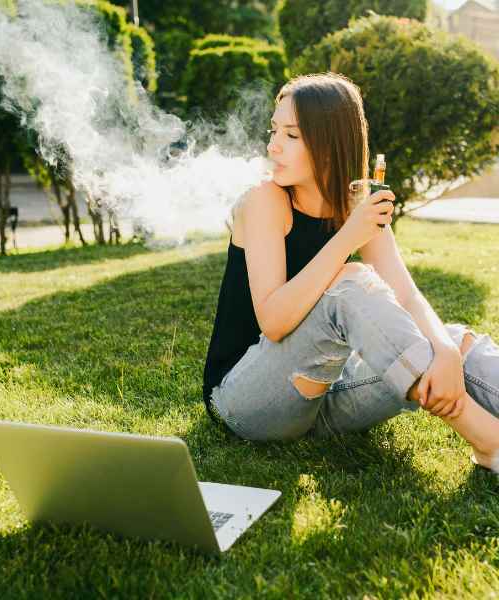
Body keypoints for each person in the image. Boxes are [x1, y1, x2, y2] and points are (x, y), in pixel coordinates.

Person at [202, 72, 499, 471]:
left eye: (292, 135)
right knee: (350, 280)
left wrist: (444, 352)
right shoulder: (265, 201)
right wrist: (347, 237)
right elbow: (273, 321)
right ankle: (489, 442)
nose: (274, 146)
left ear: (330, 142)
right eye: (274, 131)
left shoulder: (355, 202)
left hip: (324, 398)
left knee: (457, 341)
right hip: (246, 400)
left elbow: (406, 295)